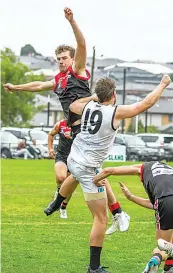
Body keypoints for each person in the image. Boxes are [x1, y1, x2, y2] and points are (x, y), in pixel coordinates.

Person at [4, 7, 130, 233]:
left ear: (72, 59)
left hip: (86, 128)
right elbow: (38, 86)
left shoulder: (78, 69)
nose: (61, 61)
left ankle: (113, 213)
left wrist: (72, 22)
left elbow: (82, 44)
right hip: (73, 132)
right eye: (58, 59)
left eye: (64, 58)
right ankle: (114, 212)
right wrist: (16, 87)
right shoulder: (59, 79)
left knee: (92, 171)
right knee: (86, 171)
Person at [44, 74, 173, 273]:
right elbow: (146, 103)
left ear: (98, 94)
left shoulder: (86, 106)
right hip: (88, 168)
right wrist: (163, 84)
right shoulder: (114, 112)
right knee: (101, 219)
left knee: (74, 175)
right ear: (113, 95)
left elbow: (72, 106)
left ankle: (56, 203)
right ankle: (93, 267)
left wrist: (91, 98)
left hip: (74, 158)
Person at [93, 161, 173, 273]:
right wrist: (130, 197)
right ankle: (169, 268)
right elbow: (155, 205)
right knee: (169, 244)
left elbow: (108, 170)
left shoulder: (143, 168)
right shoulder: (169, 169)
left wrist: (95, 180)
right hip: (165, 202)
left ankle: (156, 259)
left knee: (163, 246)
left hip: (165, 202)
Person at [48, 119, 73, 219]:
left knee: (69, 185)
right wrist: (50, 149)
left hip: (74, 158)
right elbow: (50, 135)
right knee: (60, 178)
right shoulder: (60, 124)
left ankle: (63, 207)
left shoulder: (82, 125)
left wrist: (72, 137)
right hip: (61, 156)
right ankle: (58, 192)